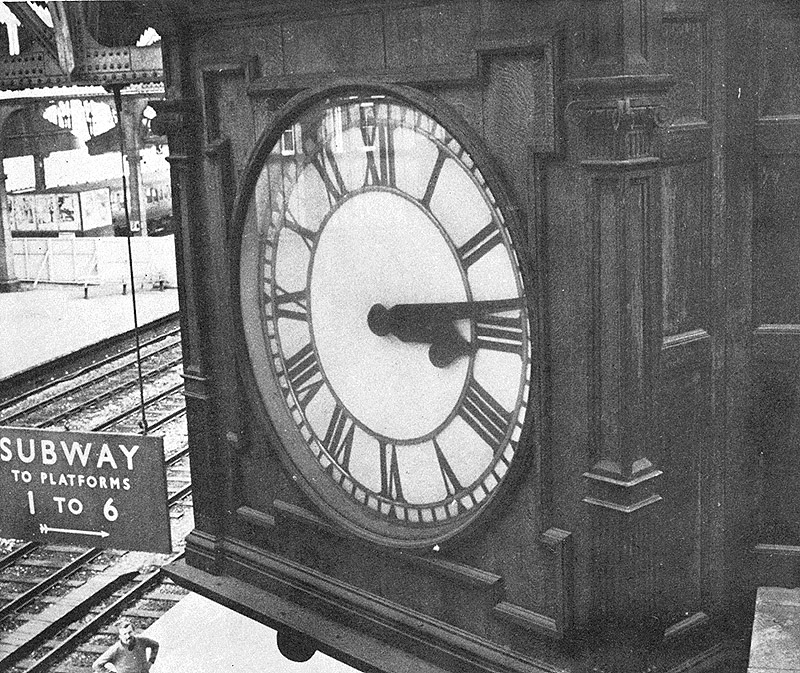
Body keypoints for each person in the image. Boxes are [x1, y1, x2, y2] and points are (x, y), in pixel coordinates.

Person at [92, 617, 159, 672]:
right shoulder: (115, 649)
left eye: (130, 632)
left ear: (134, 631)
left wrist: (151, 661)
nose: (128, 636)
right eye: (124, 634)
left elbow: (155, 645)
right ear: (120, 636)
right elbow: (96, 665)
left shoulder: (142, 641)